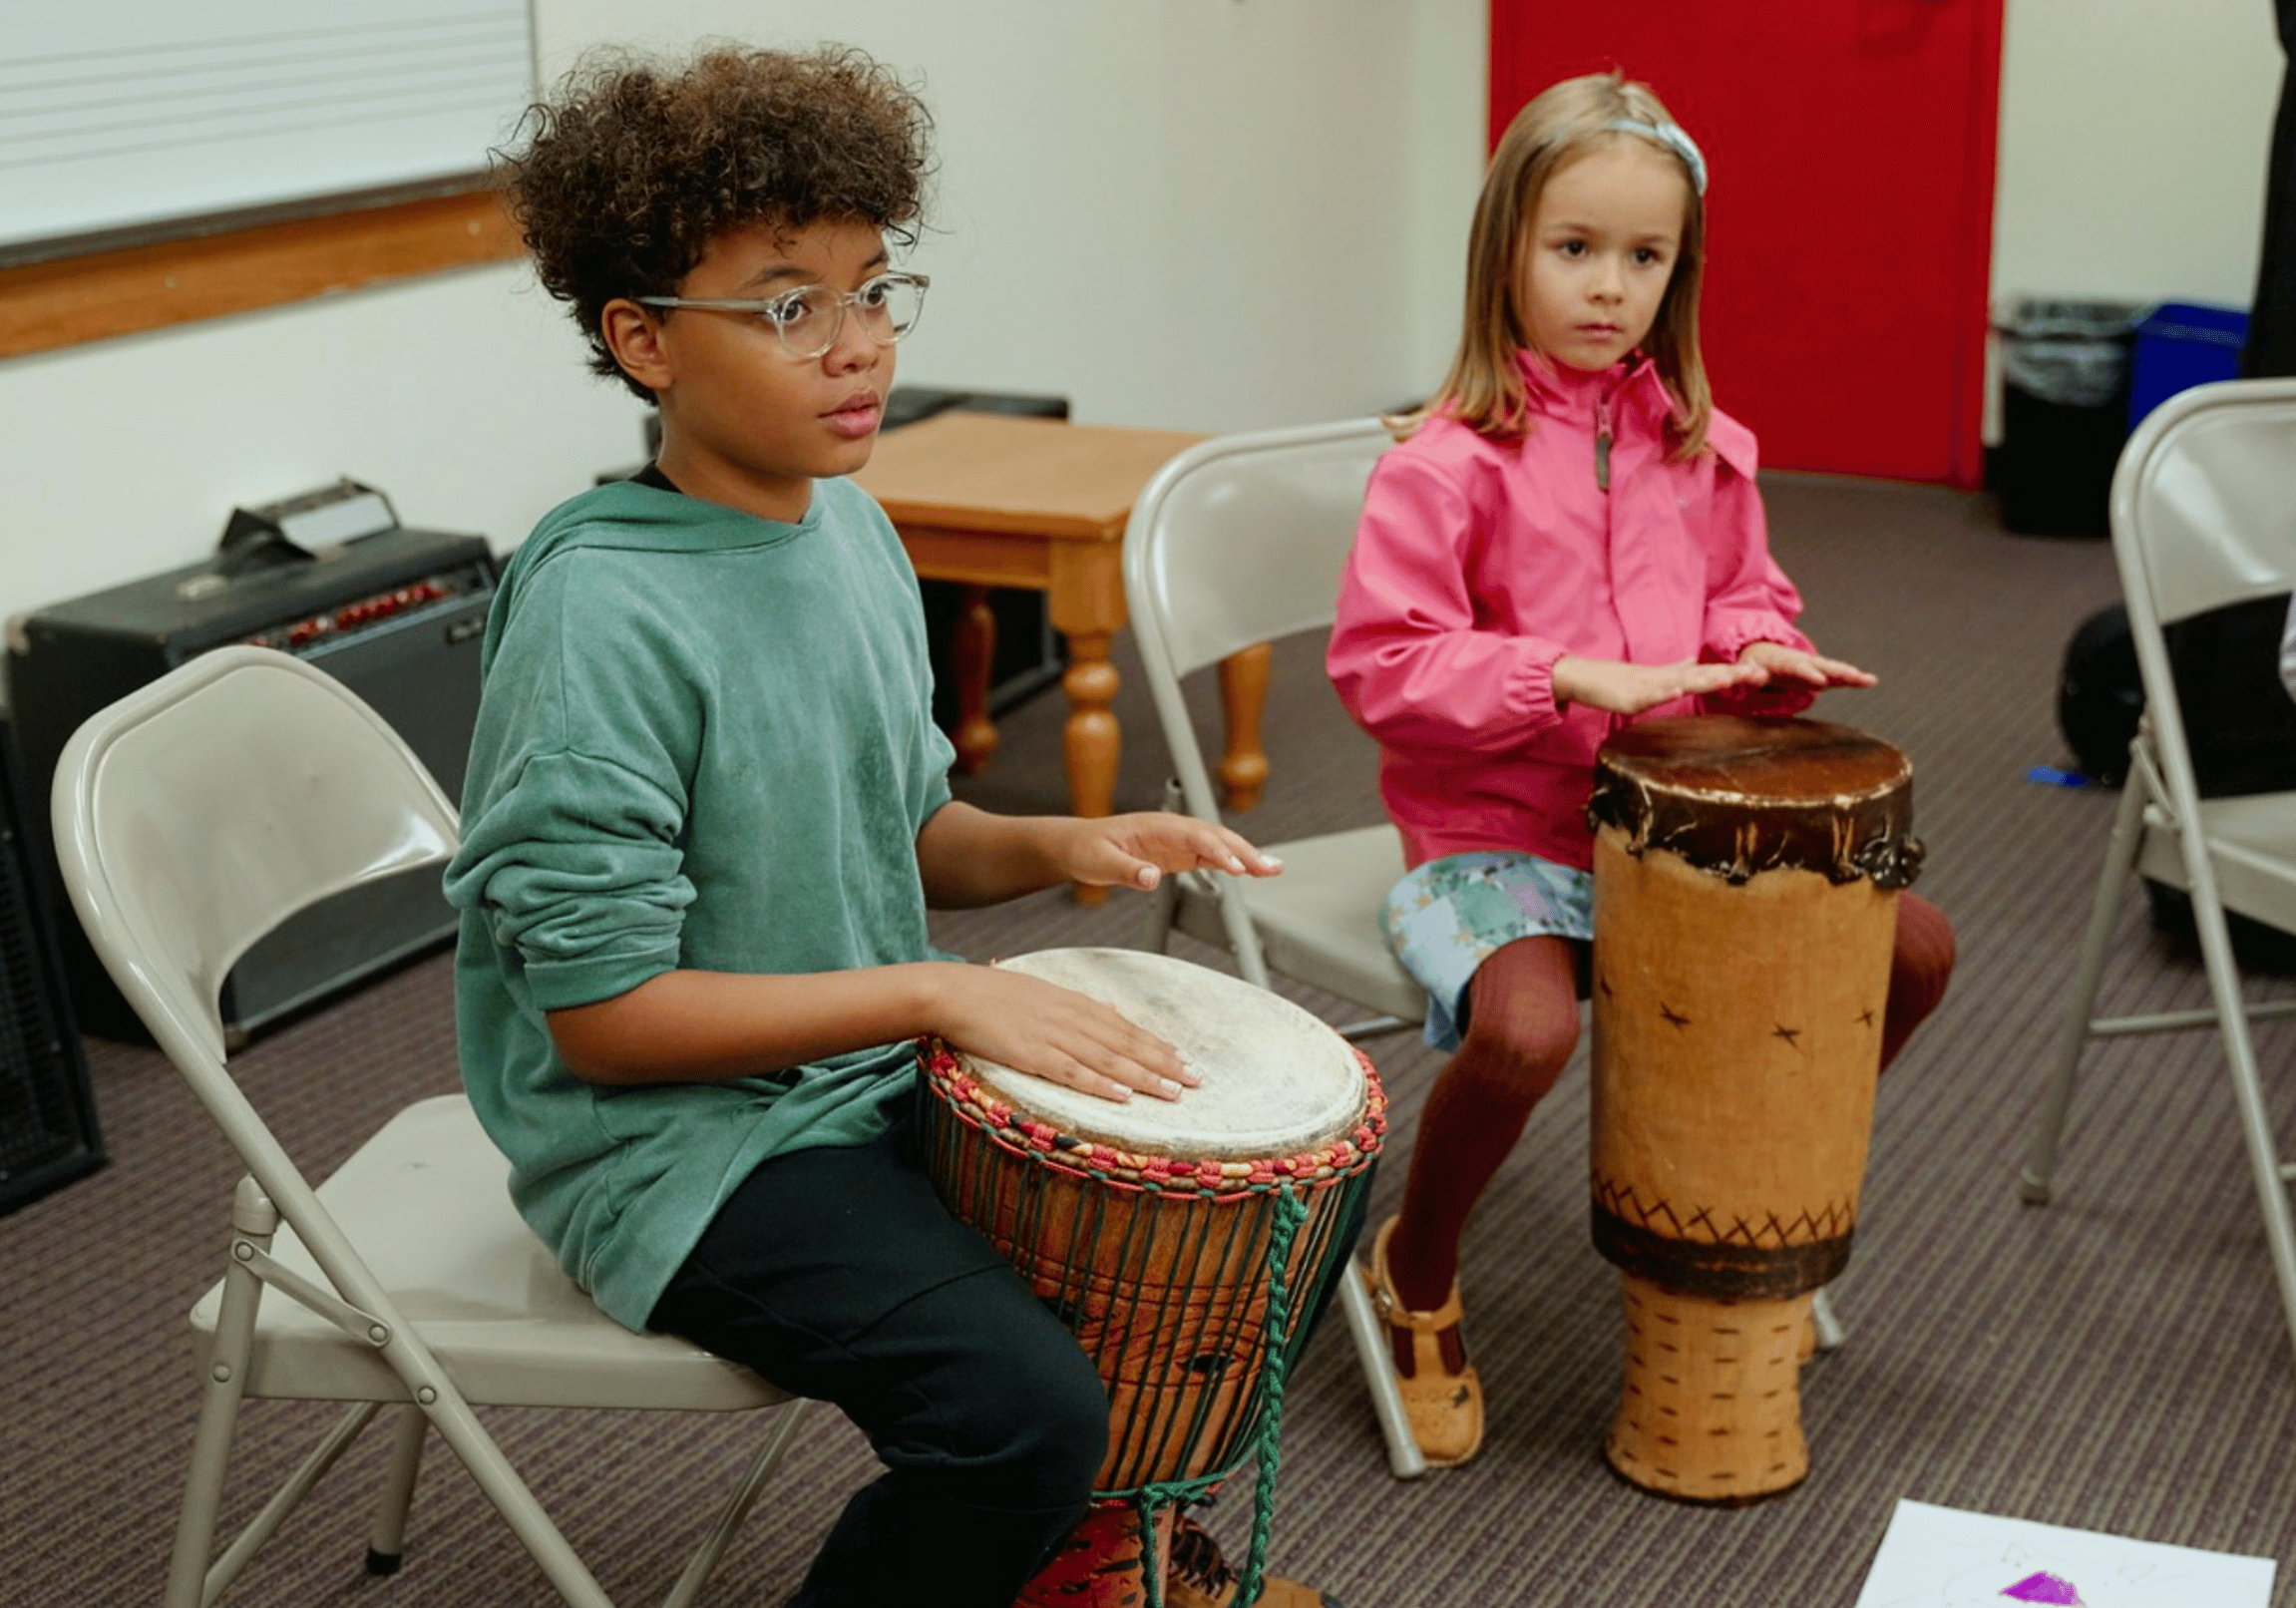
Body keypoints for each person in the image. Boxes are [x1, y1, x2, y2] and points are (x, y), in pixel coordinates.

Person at [446, 45, 1331, 1608]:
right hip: (677, 1148)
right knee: (1016, 1409)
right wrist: (938, 989)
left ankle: (1066, 1558)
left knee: (1254, 1215)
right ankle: (1042, 1515)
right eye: (788, 304)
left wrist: (1057, 842)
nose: (856, 347)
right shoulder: (600, 612)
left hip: (850, 1077)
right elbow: (601, 1021)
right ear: (642, 342)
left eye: (873, 289)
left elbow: (905, 829)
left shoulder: (848, 524)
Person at [1325, 70, 1958, 1470]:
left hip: (1669, 831)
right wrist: (1557, 673)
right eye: (1573, 248)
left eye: (1643, 255)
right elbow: (1381, 667)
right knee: (1527, 1032)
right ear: (1506, 251)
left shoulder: (1697, 444)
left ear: (1678, 270)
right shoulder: (1441, 466)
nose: (1608, 285)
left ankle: (1735, 1207)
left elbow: (1743, 596)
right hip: (1493, 832)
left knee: (1906, 952)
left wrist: (1767, 658)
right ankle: (1413, 1268)